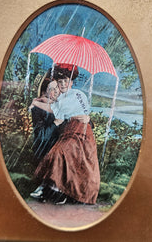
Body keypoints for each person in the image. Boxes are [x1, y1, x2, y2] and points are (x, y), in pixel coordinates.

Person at [31, 64, 100, 205]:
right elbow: (54, 105)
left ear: (72, 82)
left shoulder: (77, 95)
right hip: (69, 131)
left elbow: (54, 109)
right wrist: (39, 101)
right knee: (58, 152)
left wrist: (35, 103)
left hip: (81, 131)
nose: (62, 84)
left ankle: (56, 189)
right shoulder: (62, 97)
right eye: (60, 82)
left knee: (62, 152)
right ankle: (51, 188)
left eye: (66, 81)